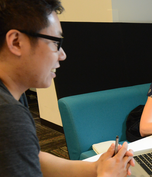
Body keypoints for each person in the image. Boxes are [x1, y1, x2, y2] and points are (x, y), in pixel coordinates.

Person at [0, 0, 134, 176]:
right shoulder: (8, 115)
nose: (62, 55)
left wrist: (96, 167)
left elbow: (33, 157)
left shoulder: (13, 95)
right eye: (56, 42)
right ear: (16, 42)